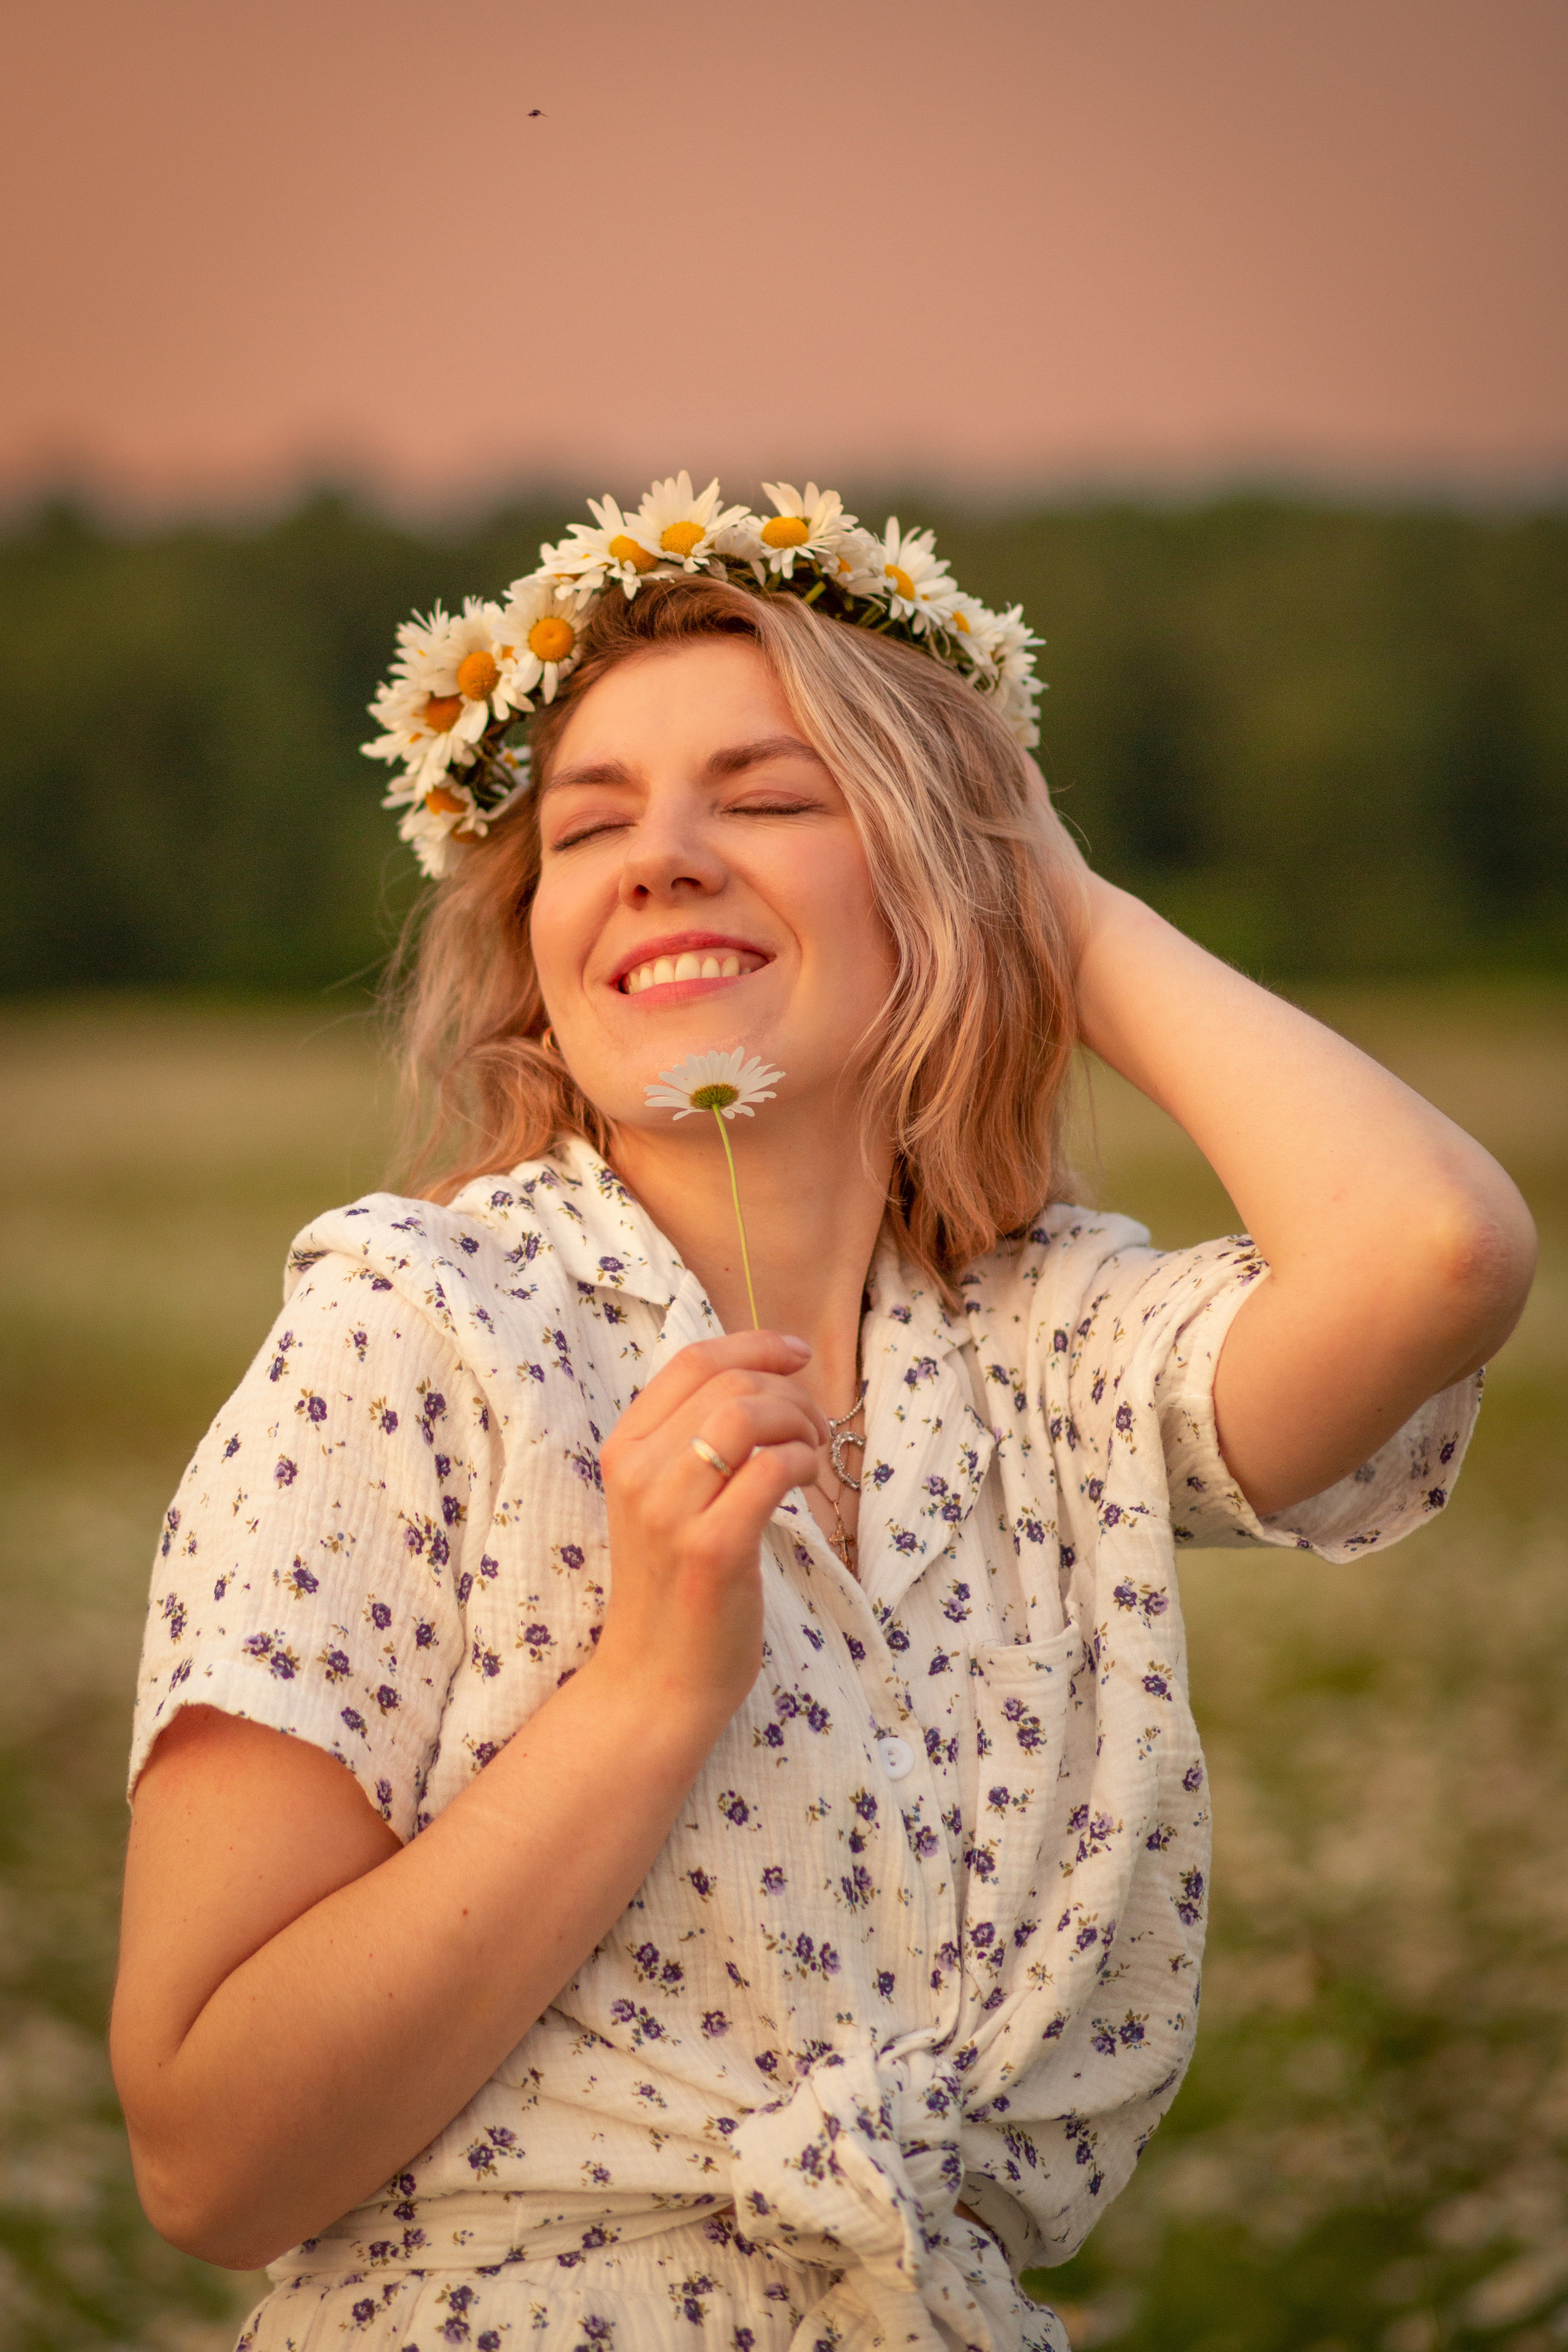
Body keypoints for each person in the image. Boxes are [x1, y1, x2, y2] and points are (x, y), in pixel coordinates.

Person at [111, 480, 1536, 2352]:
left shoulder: (1052, 1345)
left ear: (954, 876)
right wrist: (646, 1691)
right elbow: (211, 2164)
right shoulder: (412, 1335)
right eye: (586, 824)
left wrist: (1055, 890)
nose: (662, 857)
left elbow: (1433, 1254)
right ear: (537, 937)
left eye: (773, 798)